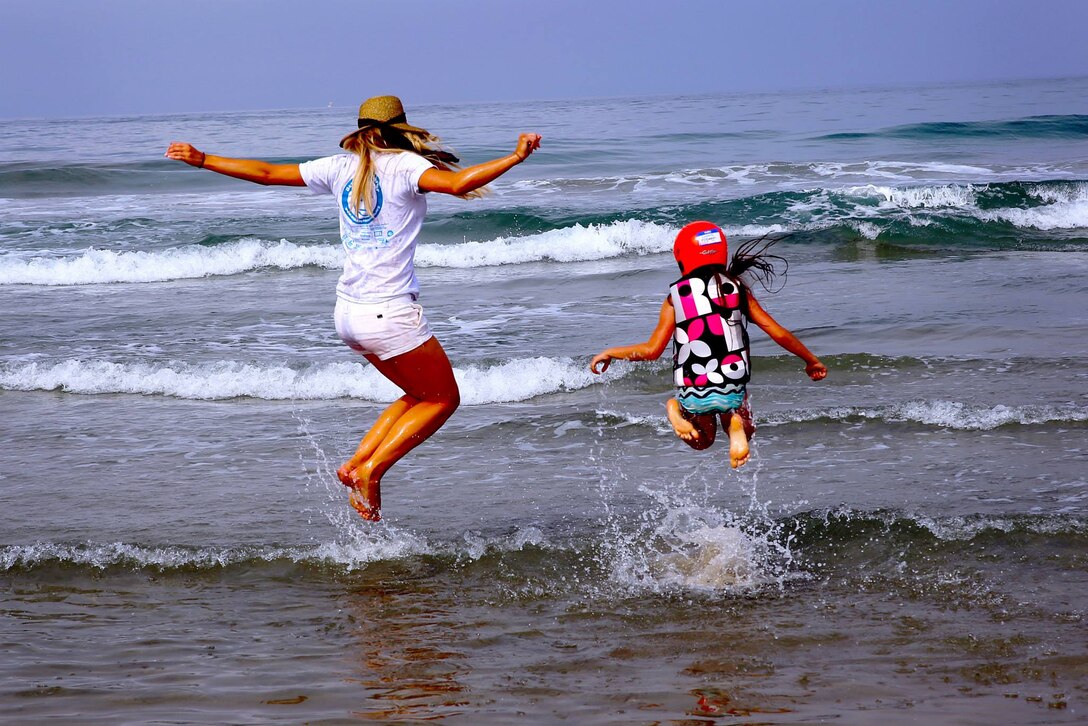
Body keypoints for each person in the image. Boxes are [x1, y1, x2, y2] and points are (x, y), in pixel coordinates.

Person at [165, 95, 541, 521]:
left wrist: (202, 159)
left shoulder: (339, 166)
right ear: (401, 129)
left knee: (418, 394)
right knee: (443, 400)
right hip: (390, 313)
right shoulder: (405, 166)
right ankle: (372, 471)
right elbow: (458, 184)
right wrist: (515, 157)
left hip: (348, 315)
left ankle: (354, 465)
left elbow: (268, 174)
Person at [589, 221, 826, 469]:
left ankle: (674, 408)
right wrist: (811, 360)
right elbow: (777, 332)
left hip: (693, 388)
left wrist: (611, 353)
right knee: (748, 428)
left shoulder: (677, 297)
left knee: (703, 440)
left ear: (682, 258)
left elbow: (651, 351)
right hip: (732, 383)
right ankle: (734, 423)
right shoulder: (735, 288)